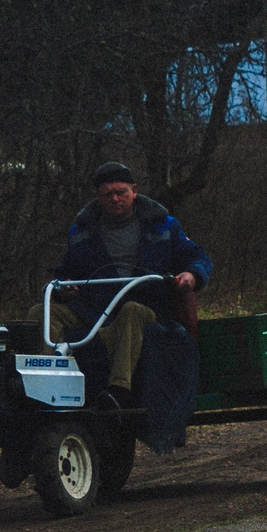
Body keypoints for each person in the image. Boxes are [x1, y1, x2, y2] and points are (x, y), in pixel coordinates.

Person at [47, 162, 213, 404]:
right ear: (98, 197)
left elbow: (197, 257)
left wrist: (192, 275)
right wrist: (66, 286)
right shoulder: (80, 233)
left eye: (121, 192)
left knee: (131, 310)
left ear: (134, 191)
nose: (115, 199)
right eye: (108, 194)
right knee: (42, 312)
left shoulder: (164, 225)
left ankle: (119, 391)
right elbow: (65, 273)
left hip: (148, 307)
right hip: (96, 311)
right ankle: (42, 383)